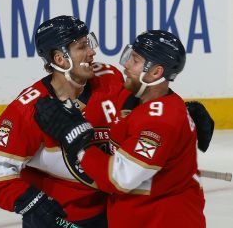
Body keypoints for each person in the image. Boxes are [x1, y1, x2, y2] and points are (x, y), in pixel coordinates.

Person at [34, 30, 208, 227]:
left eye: (134, 60)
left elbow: (119, 178)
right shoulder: (137, 100)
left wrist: (77, 143)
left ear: (156, 72)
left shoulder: (160, 124)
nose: (125, 65)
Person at [0, 15, 125, 228]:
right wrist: (30, 202)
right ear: (59, 59)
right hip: (59, 218)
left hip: (109, 211)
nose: (92, 52)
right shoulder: (28, 109)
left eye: (89, 42)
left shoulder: (110, 78)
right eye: (82, 47)